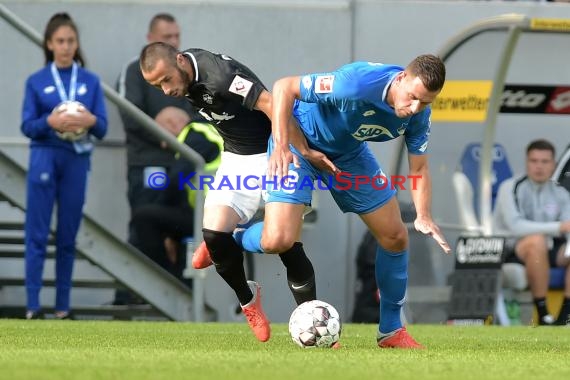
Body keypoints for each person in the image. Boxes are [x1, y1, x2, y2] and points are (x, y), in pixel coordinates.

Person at [233, 54, 451, 349]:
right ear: (400, 78)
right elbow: (284, 87)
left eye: (425, 102)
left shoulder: (419, 113)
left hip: (348, 155)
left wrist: (423, 215)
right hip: (300, 145)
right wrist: (283, 145)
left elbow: (419, 168)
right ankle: (234, 237)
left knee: (396, 237)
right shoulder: (356, 84)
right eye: (412, 98)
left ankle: (391, 331)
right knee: (277, 240)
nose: (415, 108)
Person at [139, 42, 331, 342]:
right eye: (156, 85)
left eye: (165, 79)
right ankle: (249, 302)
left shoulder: (219, 75)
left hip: (274, 150)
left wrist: (298, 149)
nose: (165, 90)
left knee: (284, 244)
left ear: (179, 60)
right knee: (214, 234)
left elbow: (271, 103)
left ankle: (316, 322)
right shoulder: (184, 76)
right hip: (237, 158)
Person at [20, 13, 108, 319]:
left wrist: (90, 120)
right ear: (49, 44)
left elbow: (103, 127)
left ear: (76, 44)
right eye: (60, 41)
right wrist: (50, 121)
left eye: (71, 41)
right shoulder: (37, 81)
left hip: (76, 159)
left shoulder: (90, 81)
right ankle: (33, 305)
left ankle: (62, 307)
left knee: (68, 236)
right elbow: (27, 126)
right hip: (44, 155)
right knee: (37, 234)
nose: (66, 47)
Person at [115, 13, 198, 304]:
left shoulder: (186, 72)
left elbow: (200, 118)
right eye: (167, 37)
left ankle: (175, 302)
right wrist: (161, 132)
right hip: (148, 166)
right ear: (151, 40)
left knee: (180, 236)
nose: (174, 42)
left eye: (177, 36)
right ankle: (128, 299)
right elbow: (129, 113)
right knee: (143, 229)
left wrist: (183, 131)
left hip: (184, 170)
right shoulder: (134, 71)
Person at [130, 107, 223, 283]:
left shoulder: (195, 133)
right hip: (221, 213)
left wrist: (163, 215)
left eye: (161, 137)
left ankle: (164, 280)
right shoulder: (210, 130)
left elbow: (176, 180)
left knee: (144, 216)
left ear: (172, 124)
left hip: (210, 217)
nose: (163, 145)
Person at [493, 139, 570, 326]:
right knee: (536, 241)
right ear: (526, 162)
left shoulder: (561, 192)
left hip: (550, 247)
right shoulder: (510, 187)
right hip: (512, 249)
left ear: (553, 164)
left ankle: (564, 316)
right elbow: (516, 227)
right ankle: (542, 313)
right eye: (534, 161)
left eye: (545, 162)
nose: (539, 166)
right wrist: (558, 227)